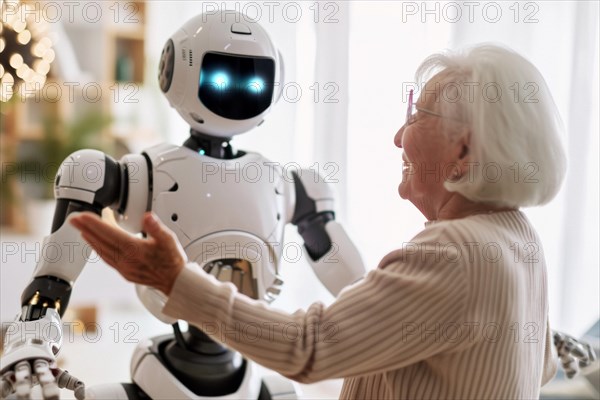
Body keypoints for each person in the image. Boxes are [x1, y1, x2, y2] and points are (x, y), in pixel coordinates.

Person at [71, 44, 570, 399]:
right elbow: (539, 364)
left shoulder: (453, 254)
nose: (399, 136)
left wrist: (174, 279)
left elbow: (307, 348)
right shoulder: (519, 238)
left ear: (463, 152)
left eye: (418, 116)